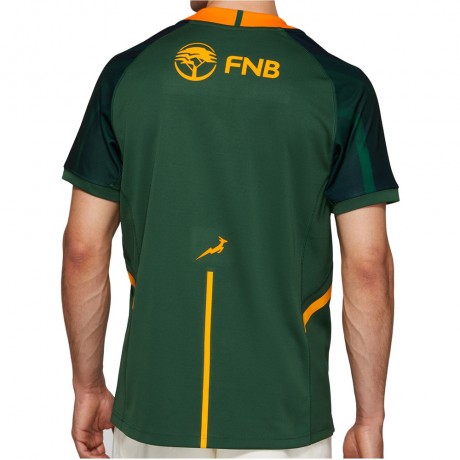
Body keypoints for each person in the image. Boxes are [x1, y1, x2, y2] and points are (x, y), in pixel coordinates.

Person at [61, 0, 399, 458]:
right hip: (284, 417)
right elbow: (368, 266)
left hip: (154, 411)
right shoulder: (338, 86)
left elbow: (82, 249)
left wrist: (88, 387)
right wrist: (369, 418)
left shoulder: (129, 75)